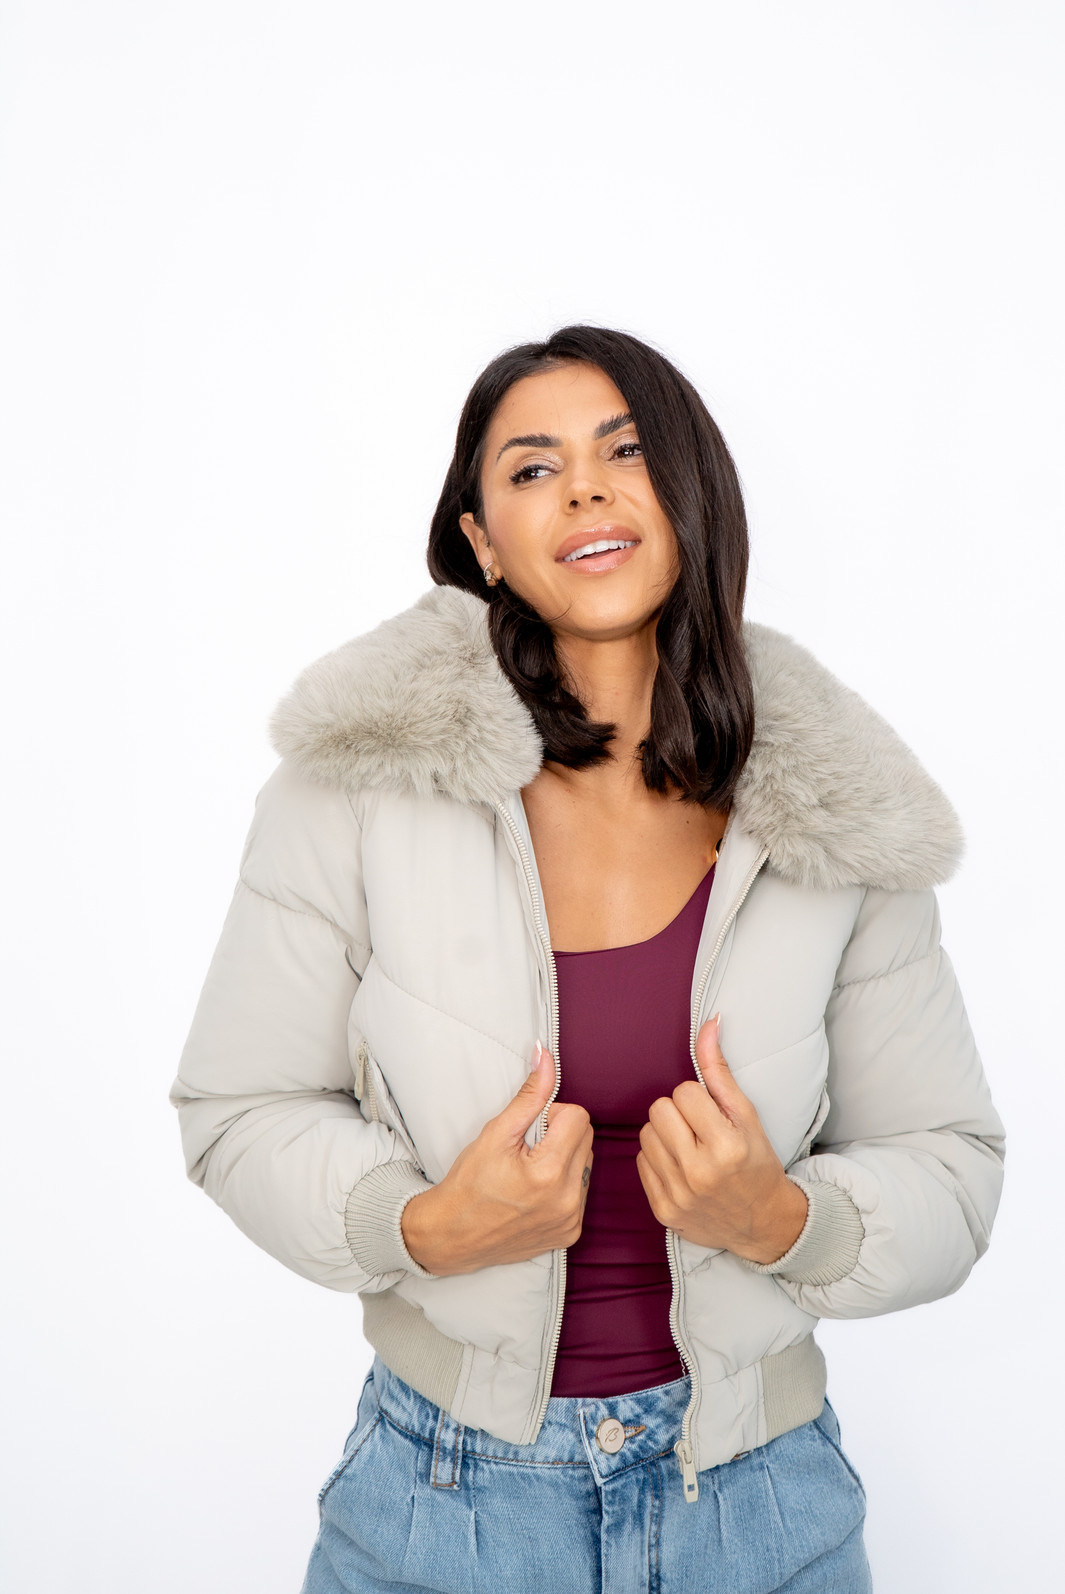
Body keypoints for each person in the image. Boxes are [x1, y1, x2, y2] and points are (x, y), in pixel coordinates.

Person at [170, 325, 1005, 1593]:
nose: (585, 491)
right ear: (481, 541)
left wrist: (783, 1219)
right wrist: (426, 1224)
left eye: (625, 451)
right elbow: (238, 1108)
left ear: (690, 490)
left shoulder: (835, 806)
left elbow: (953, 1167)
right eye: (532, 467)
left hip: (758, 1501)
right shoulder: (358, 784)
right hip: (441, 1502)